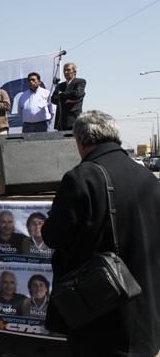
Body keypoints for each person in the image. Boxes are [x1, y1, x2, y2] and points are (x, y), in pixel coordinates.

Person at [42, 110, 160, 356]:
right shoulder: (147, 177)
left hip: (100, 314)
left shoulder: (81, 177)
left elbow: (52, 236)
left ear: (81, 142)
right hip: (145, 311)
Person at [51, 62, 86, 131]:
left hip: (74, 119)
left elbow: (77, 94)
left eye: (68, 70)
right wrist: (67, 99)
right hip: (61, 120)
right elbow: (53, 99)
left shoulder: (80, 81)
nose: (66, 72)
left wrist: (62, 94)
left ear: (74, 72)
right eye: (64, 70)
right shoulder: (60, 85)